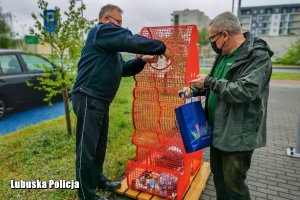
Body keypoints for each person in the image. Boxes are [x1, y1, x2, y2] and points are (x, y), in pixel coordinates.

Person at [72, 4, 170, 200]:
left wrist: (142, 60)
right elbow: (128, 39)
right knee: (86, 150)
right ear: (108, 20)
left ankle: (98, 179)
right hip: (88, 97)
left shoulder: (109, 47)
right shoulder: (101, 30)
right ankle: (86, 195)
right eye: (119, 23)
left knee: (99, 147)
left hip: (100, 101)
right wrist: (161, 46)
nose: (120, 28)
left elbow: (123, 69)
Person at [180, 12, 273, 199]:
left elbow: (245, 90)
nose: (212, 43)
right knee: (219, 180)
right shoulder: (223, 55)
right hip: (217, 131)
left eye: (212, 38)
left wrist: (209, 82)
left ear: (224, 35)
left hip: (237, 136)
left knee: (234, 187)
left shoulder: (257, 56)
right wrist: (196, 90)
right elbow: (217, 86)